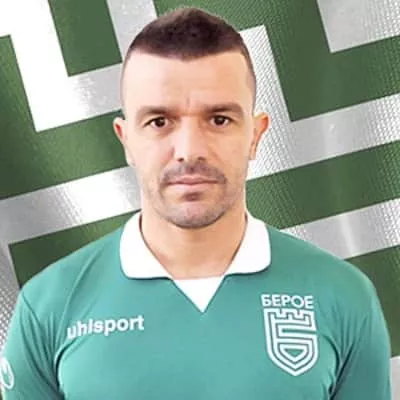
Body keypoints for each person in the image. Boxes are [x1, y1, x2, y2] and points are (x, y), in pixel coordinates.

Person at [0, 7, 391, 400]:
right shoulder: (49, 306)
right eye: (159, 122)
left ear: (255, 135)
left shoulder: (343, 296)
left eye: (219, 119)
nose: (189, 150)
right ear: (126, 139)